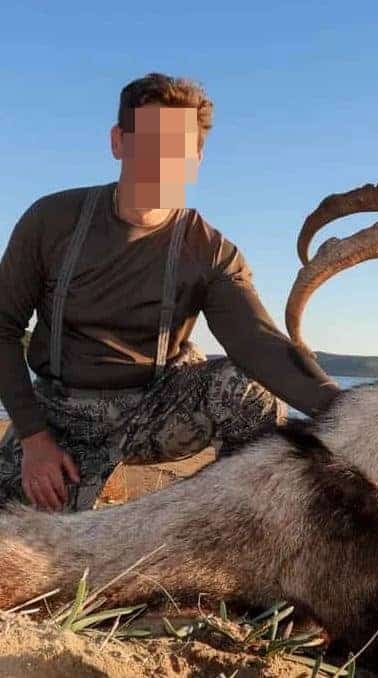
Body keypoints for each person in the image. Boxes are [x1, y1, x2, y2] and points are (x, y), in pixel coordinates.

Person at [0, 72, 340, 513]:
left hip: (156, 408)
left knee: (246, 391)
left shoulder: (211, 251)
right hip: (61, 414)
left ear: (196, 157)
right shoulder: (51, 220)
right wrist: (34, 438)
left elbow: (260, 346)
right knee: (19, 535)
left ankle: (231, 526)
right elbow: (3, 327)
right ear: (118, 142)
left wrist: (343, 406)